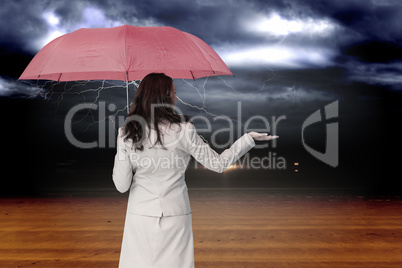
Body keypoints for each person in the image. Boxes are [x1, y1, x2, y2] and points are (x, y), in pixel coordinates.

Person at [112, 73, 278, 268]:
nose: (176, 97)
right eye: (174, 92)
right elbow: (218, 164)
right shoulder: (184, 130)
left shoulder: (126, 133)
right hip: (176, 215)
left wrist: (122, 146)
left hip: (139, 215)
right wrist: (247, 139)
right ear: (164, 96)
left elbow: (122, 186)